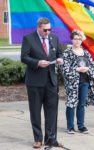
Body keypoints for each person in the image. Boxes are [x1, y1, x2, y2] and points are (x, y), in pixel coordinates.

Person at [21, 18, 63, 148]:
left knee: (52, 111)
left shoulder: (54, 38)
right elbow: (24, 57)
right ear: (38, 27)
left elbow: (59, 53)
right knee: (35, 111)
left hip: (51, 80)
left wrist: (60, 59)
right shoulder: (28, 38)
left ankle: (50, 138)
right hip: (35, 81)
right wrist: (38, 62)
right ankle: (38, 138)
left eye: (49, 29)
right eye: (45, 30)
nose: (47, 32)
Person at [61, 30, 94, 134]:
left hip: (85, 81)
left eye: (79, 39)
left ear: (82, 40)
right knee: (71, 103)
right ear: (72, 40)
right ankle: (70, 127)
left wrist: (87, 69)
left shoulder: (86, 53)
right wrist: (76, 69)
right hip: (72, 83)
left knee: (81, 104)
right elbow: (64, 68)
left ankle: (81, 126)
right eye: (75, 38)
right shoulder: (67, 53)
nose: (77, 41)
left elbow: (92, 67)